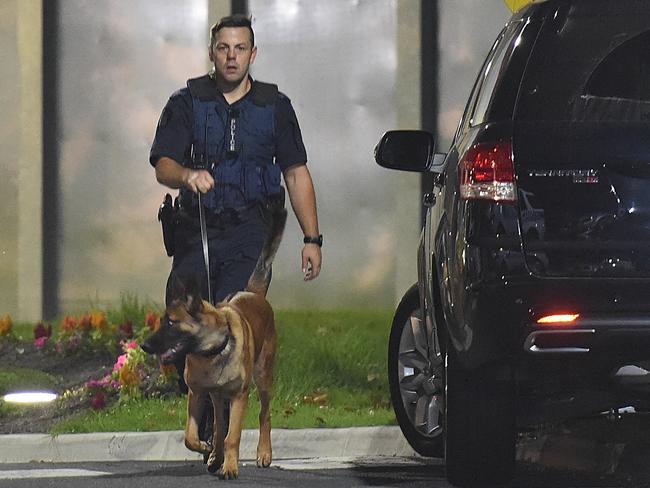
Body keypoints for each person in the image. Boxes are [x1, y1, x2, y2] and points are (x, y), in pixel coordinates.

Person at [149, 14, 322, 440]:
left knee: (232, 320)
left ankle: (218, 424)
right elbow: (163, 164)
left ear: (253, 53)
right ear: (213, 52)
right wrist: (187, 175)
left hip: (251, 228)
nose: (231, 56)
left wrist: (312, 238)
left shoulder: (274, 107)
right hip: (198, 228)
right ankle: (200, 398)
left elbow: (296, 173)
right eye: (223, 48)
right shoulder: (187, 101)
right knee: (182, 316)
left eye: (240, 48)